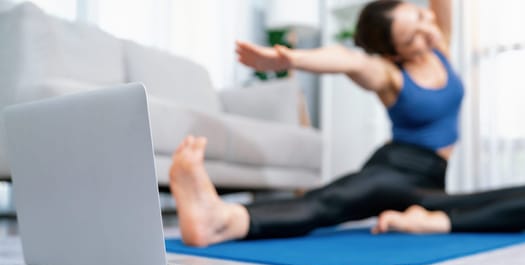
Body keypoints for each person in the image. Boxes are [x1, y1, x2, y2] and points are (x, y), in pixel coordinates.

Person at [169, 0, 525, 247]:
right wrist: (292, 57)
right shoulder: (389, 74)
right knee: (333, 201)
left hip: (430, 183)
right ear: (393, 53)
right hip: (395, 168)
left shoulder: (439, 46)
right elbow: (346, 60)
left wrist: (428, 24)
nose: (427, 31)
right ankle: (224, 219)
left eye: (421, 17)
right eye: (412, 36)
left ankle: (433, 221)